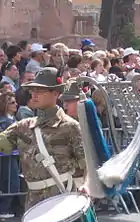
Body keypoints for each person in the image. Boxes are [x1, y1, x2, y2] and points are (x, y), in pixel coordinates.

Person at [0, 67, 86, 210]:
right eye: (33, 91)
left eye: (40, 91)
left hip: (64, 198)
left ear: (56, 93)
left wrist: (86, 187)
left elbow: (86, 166)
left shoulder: (70, 126)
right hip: (33, 203)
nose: (34, 95)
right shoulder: (23, 126)